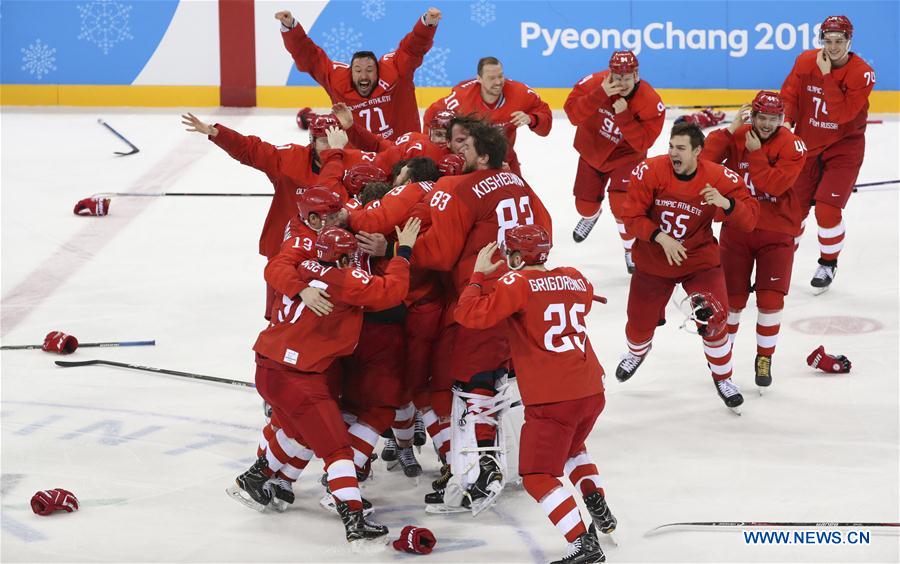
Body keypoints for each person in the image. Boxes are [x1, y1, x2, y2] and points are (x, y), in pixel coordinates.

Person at [230, 219, 421, 544]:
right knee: (336, 449)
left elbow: (276, 265)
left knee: (296, 431)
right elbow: (394, 290)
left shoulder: (301, 264)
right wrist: (402, 252)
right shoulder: (347, 280)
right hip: (297, 374)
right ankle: (354, 519)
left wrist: (300, 287)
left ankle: (256, 476)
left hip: (270, 363)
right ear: (346, 259)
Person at [455, 225, 616, 564]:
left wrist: (478, 278)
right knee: (573, 447)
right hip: (591, 389)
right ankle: (596, 502)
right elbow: (584, 298)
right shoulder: (572, 275)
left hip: (553, 397)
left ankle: (582, 543)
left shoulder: (517, 283)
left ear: (515, 256)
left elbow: (468, 315)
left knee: (538, 475)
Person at [412, 122, 552, 509]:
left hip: (481, 300)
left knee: (473, 386)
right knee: (506, 381)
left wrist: (403, 249)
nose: (460, 154)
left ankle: (482, 470)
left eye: (467, 147)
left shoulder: (457, 188)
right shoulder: (517, 182)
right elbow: (545, 231)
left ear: (484, 156)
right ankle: (521, 461)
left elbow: (438, 254)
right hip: (522, 297)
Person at [617, 122, 759, 411]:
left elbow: (751, 219)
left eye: (680, 148)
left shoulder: (719, 177)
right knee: (637, 325)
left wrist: (727, 203)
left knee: (715, 317)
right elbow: (630, 217)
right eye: (671, 146)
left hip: (698, 260)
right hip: (654, 258)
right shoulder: (650, 170)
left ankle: (724, 378)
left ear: (697, 151)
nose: (673, 153)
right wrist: (660, 237)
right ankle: (637, 352)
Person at [181, 112, 342, 318]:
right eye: (323, 141)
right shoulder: (290, 159)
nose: (329, 147)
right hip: (288, 253)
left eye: (333, 140)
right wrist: (217, 132)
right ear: (311, 141)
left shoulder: (352, 164)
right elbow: (252, 150)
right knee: (280, 315)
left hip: (333, 254)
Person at [701, 91, 807, 390]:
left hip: (777, 232)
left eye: (773, 119)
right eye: (762, 117)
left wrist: (756, 153)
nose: (767, 124)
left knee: (771, 301)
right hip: (738, 228)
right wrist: (728, 131)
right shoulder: (739, 136)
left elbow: (773, 183)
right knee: (732, 301)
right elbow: (704, 162)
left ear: (781, 119)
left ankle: (764, 357)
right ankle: (726, 356)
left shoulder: (793, 145)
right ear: (753, 115)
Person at [779, 15, 875, 292]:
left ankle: (828, 263)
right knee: (791, 211)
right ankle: (780, 260)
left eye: (839, 41)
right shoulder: (805, 60)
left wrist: (825, 75)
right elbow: (790, 95)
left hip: (844, 146)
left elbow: (843, 114)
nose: (833, 47)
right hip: (807, 144)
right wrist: (786, 123)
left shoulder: (862, 73)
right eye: (828, 40)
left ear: (849, 41)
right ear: (821, 40)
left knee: (827, 209)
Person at [564, 51, 666, 274]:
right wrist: (599, 94)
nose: (621, 83)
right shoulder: (594, 83)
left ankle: (631, 249)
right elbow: (572, 115)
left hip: (627, 157)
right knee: (584, 206)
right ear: (609, 73)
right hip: (592, 150)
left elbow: (644, 143)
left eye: (627, 78)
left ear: (636, 75)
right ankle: (592, 215)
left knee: (623, 207)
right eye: (617, 77)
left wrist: (624, 117)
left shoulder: (650, 101)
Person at [277, 7, 442, 140]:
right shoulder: (337, 79)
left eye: (370, 70)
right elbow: (310, 57)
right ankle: (312, 118)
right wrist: (291, 28)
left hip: (403, 153)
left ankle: (311, 117)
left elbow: (412, 49)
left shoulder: (396, 71)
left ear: (379, 71)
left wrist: (427, 24)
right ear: (350, 72)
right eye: (358, 70)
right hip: (359, 160)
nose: (364, 76)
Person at [423, 57, 552, 176]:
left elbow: (545, 118)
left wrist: (532, 119)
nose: (498, 82)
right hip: (469, 164)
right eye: (491, 78)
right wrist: (439, 153)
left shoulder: (521, 93)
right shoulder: (460, 98)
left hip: (505, 158)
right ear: (479, 79)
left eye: (500, 76)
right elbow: (431, 116)